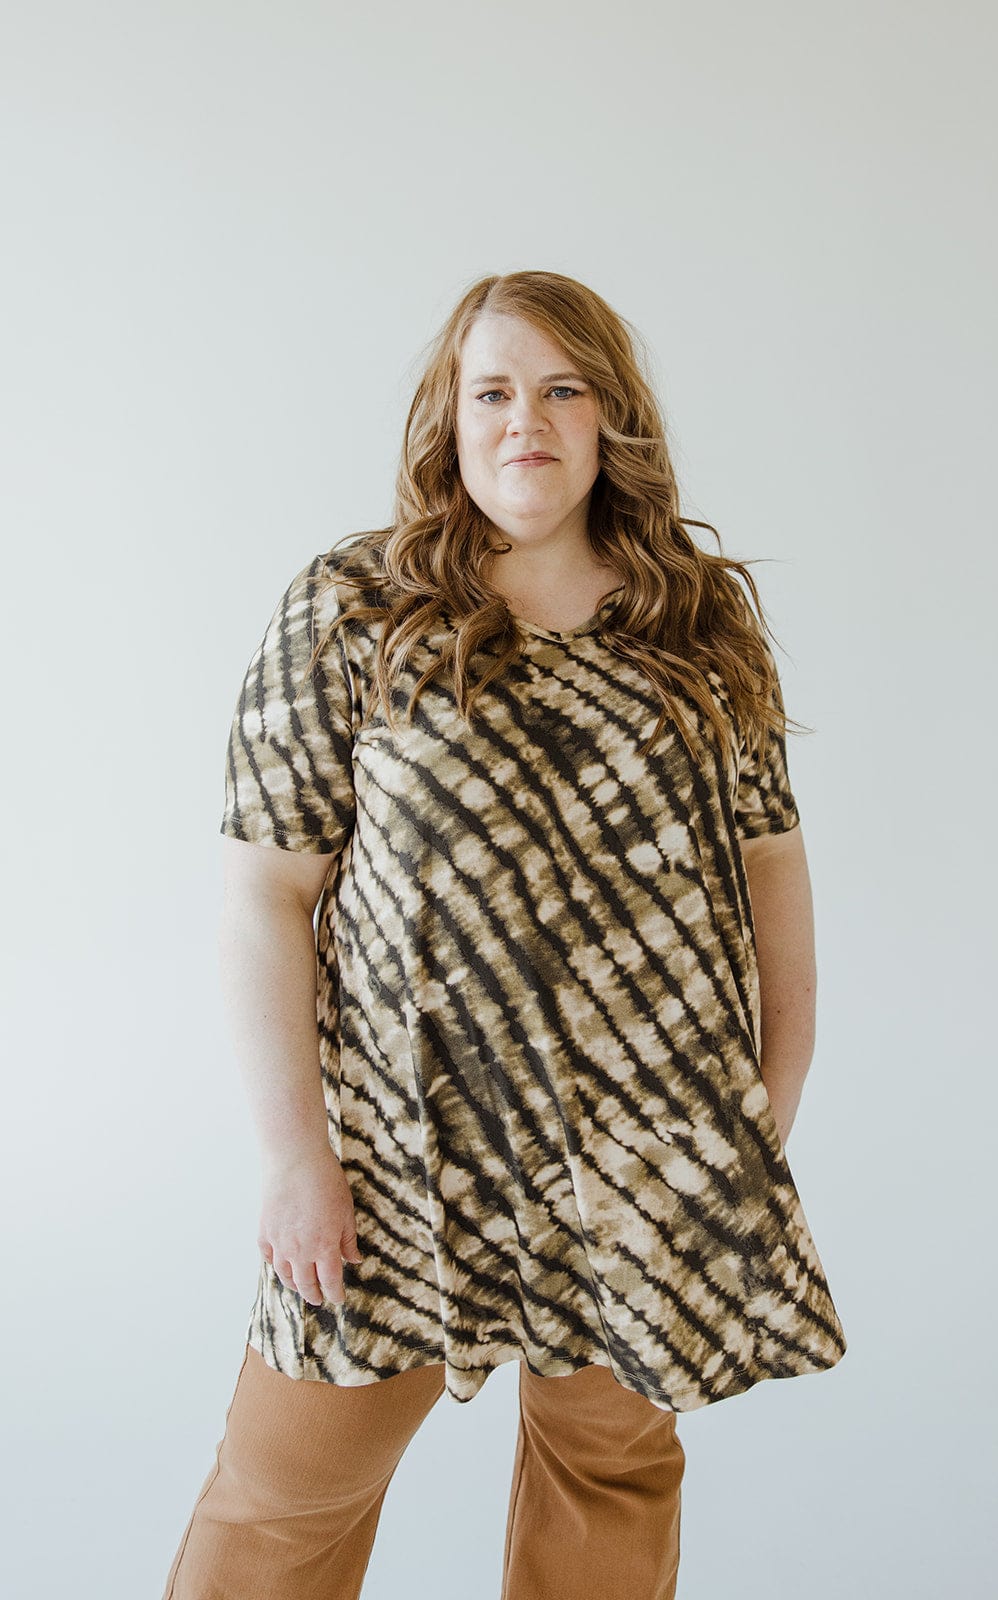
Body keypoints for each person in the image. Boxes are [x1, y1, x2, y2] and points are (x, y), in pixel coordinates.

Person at [162, 269, 847, 1600]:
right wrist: (295, 1154)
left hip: (644, 1154)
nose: (523, 419)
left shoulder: (693, 622)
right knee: (284, 1498)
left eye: (559, 389)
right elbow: (265, 896)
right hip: (400, 1154)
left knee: (612, 1486)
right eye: (492, 391)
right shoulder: (353, 608)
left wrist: (778, 1089)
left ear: (609, 421)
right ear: (451, 420)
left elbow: (771, 862)